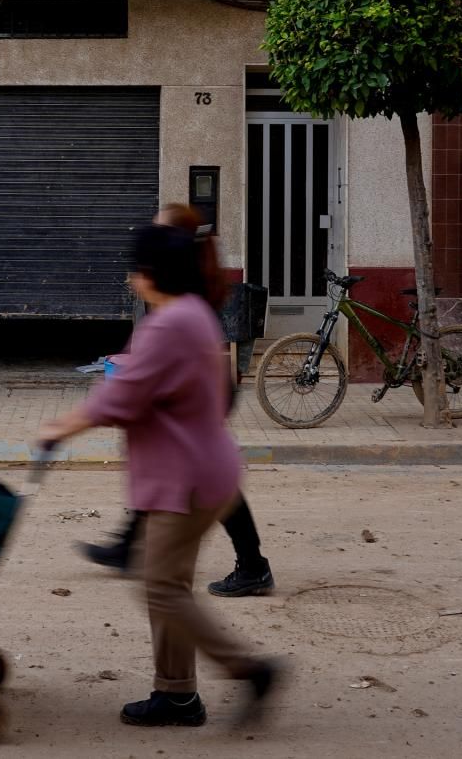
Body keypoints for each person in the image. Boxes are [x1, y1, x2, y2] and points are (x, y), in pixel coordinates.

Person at [39, 224, 282, 728]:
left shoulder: (168, 326)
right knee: (167, 582)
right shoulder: (193, 315)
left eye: (135, 270)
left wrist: (60, 426)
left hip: (185, 480)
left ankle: (248, 670)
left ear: (150, 274)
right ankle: (176, 695)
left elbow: (121, 398)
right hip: (200, 471)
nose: (130, 279)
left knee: (160, 588)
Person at [78, 204, 275, 598]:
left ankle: (253, 565)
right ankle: (127, 544)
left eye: (159, 230)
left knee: (206, 475)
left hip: (203, 387)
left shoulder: (187, 282)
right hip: (200, 384)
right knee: (170, 458)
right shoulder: (190, 274)